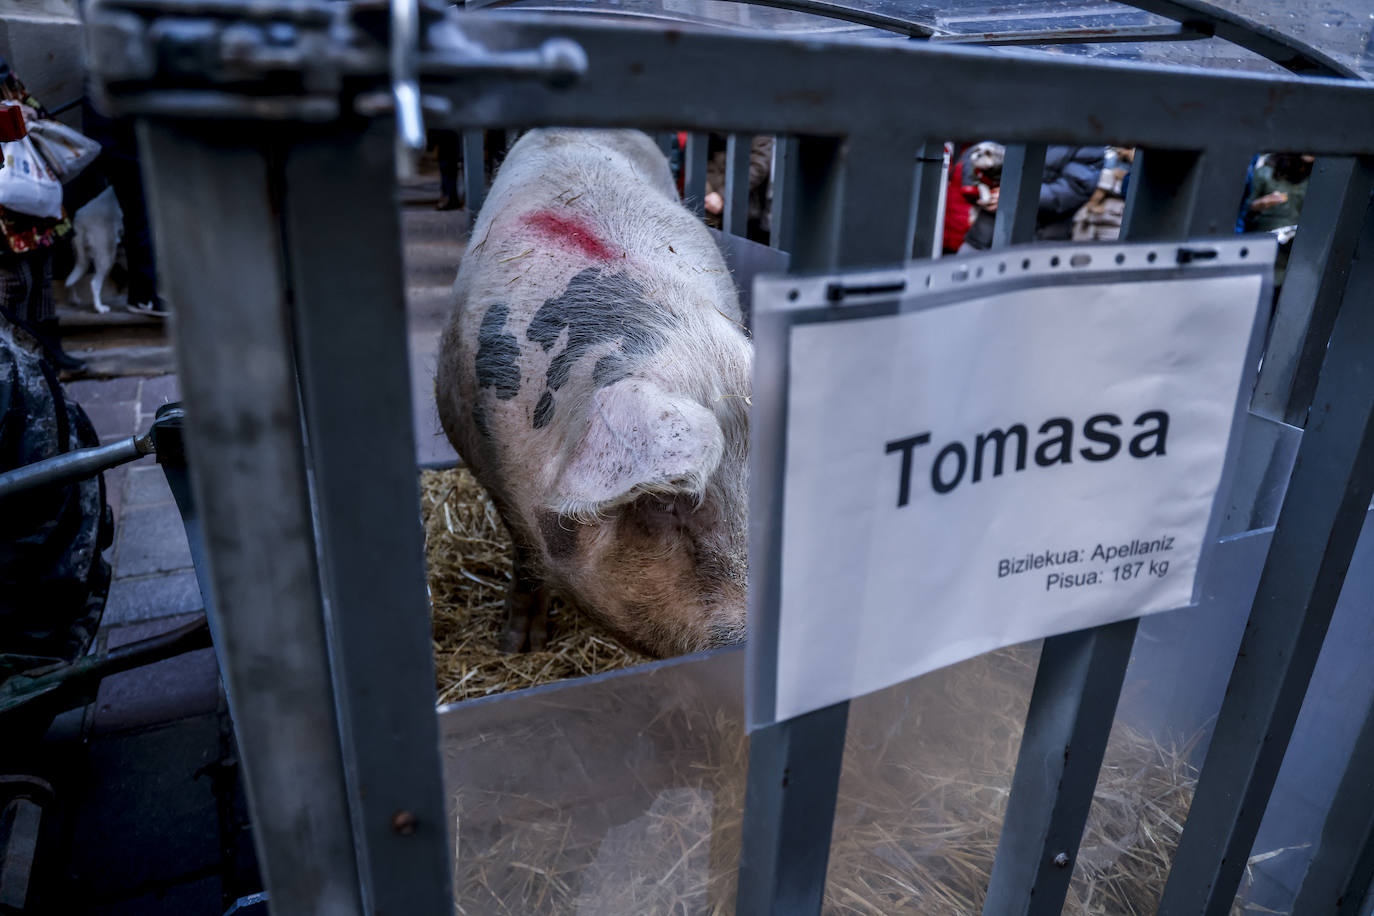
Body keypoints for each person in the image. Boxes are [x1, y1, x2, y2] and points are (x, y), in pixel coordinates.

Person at [0, 58, 83, 370]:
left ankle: (50, 352)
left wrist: (30, 114)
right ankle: (16, 361)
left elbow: (40, 111)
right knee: (15, 283)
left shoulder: (8, 78)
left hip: (31, 192)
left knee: (42, 277)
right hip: (4, 204)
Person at [957, 143, 1105, 253]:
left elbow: (1074, 190)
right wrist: (980, 187)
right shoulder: (1022, 113)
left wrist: (1016, 195)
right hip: (984, 235)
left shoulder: (1086, 138)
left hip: (1041, 242)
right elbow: (976, 152)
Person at [1242, 153, 1314, 289]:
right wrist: (1259, 204)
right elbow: (1243, 212)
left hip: (1295, 256)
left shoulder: (1314, 177)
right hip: (1262, 249)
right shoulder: (1265, 173)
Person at [703, 134, 774, 244]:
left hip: (744, 212)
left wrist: (722, 196)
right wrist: (709, 193)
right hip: (709, 208)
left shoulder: (760, 126)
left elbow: (758, 167)